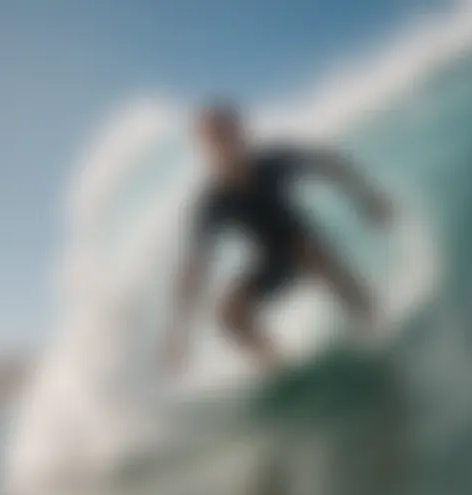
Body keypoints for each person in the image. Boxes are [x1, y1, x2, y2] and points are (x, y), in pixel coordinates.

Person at [165, 104, 392, 371]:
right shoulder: (212, 202)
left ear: (241, 135)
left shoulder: (272, 163)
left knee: (309, 252)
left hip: (305, 243)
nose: (225, 146)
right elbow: (195, 269)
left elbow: (329, 163)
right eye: (214, 141)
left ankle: (374, 322)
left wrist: (368, 198)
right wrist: (179, 334)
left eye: (228, 135)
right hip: (272, 261)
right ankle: (279, 364)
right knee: (228, 314)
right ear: (205, 150)